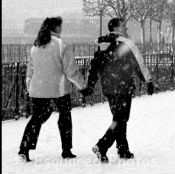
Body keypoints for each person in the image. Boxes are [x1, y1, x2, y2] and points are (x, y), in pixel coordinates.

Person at [81, 18, 154, 163]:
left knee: (118, 118)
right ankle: (102, 145)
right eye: (123, 25)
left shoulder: (102, 45)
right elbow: (139, 63)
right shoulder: (127, 43)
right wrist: (148, 81)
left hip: (108, 87)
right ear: (117, 27)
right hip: (123, 86)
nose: (126, 28)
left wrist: (90, 85)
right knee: (121, 119)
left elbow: (94, 67)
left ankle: (123, 149)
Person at [18, 17, 88, 162]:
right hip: (59, 88)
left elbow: (29, 71)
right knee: (64, 118)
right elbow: (71, 71)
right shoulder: (61, 45)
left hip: (38, 88)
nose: (62, 28)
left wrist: (29, 87)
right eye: (60, 26)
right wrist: (83, 87)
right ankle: (66, 150)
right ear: (55, 28)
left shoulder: (36, 45)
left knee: (37, 118)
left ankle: (24, 148)